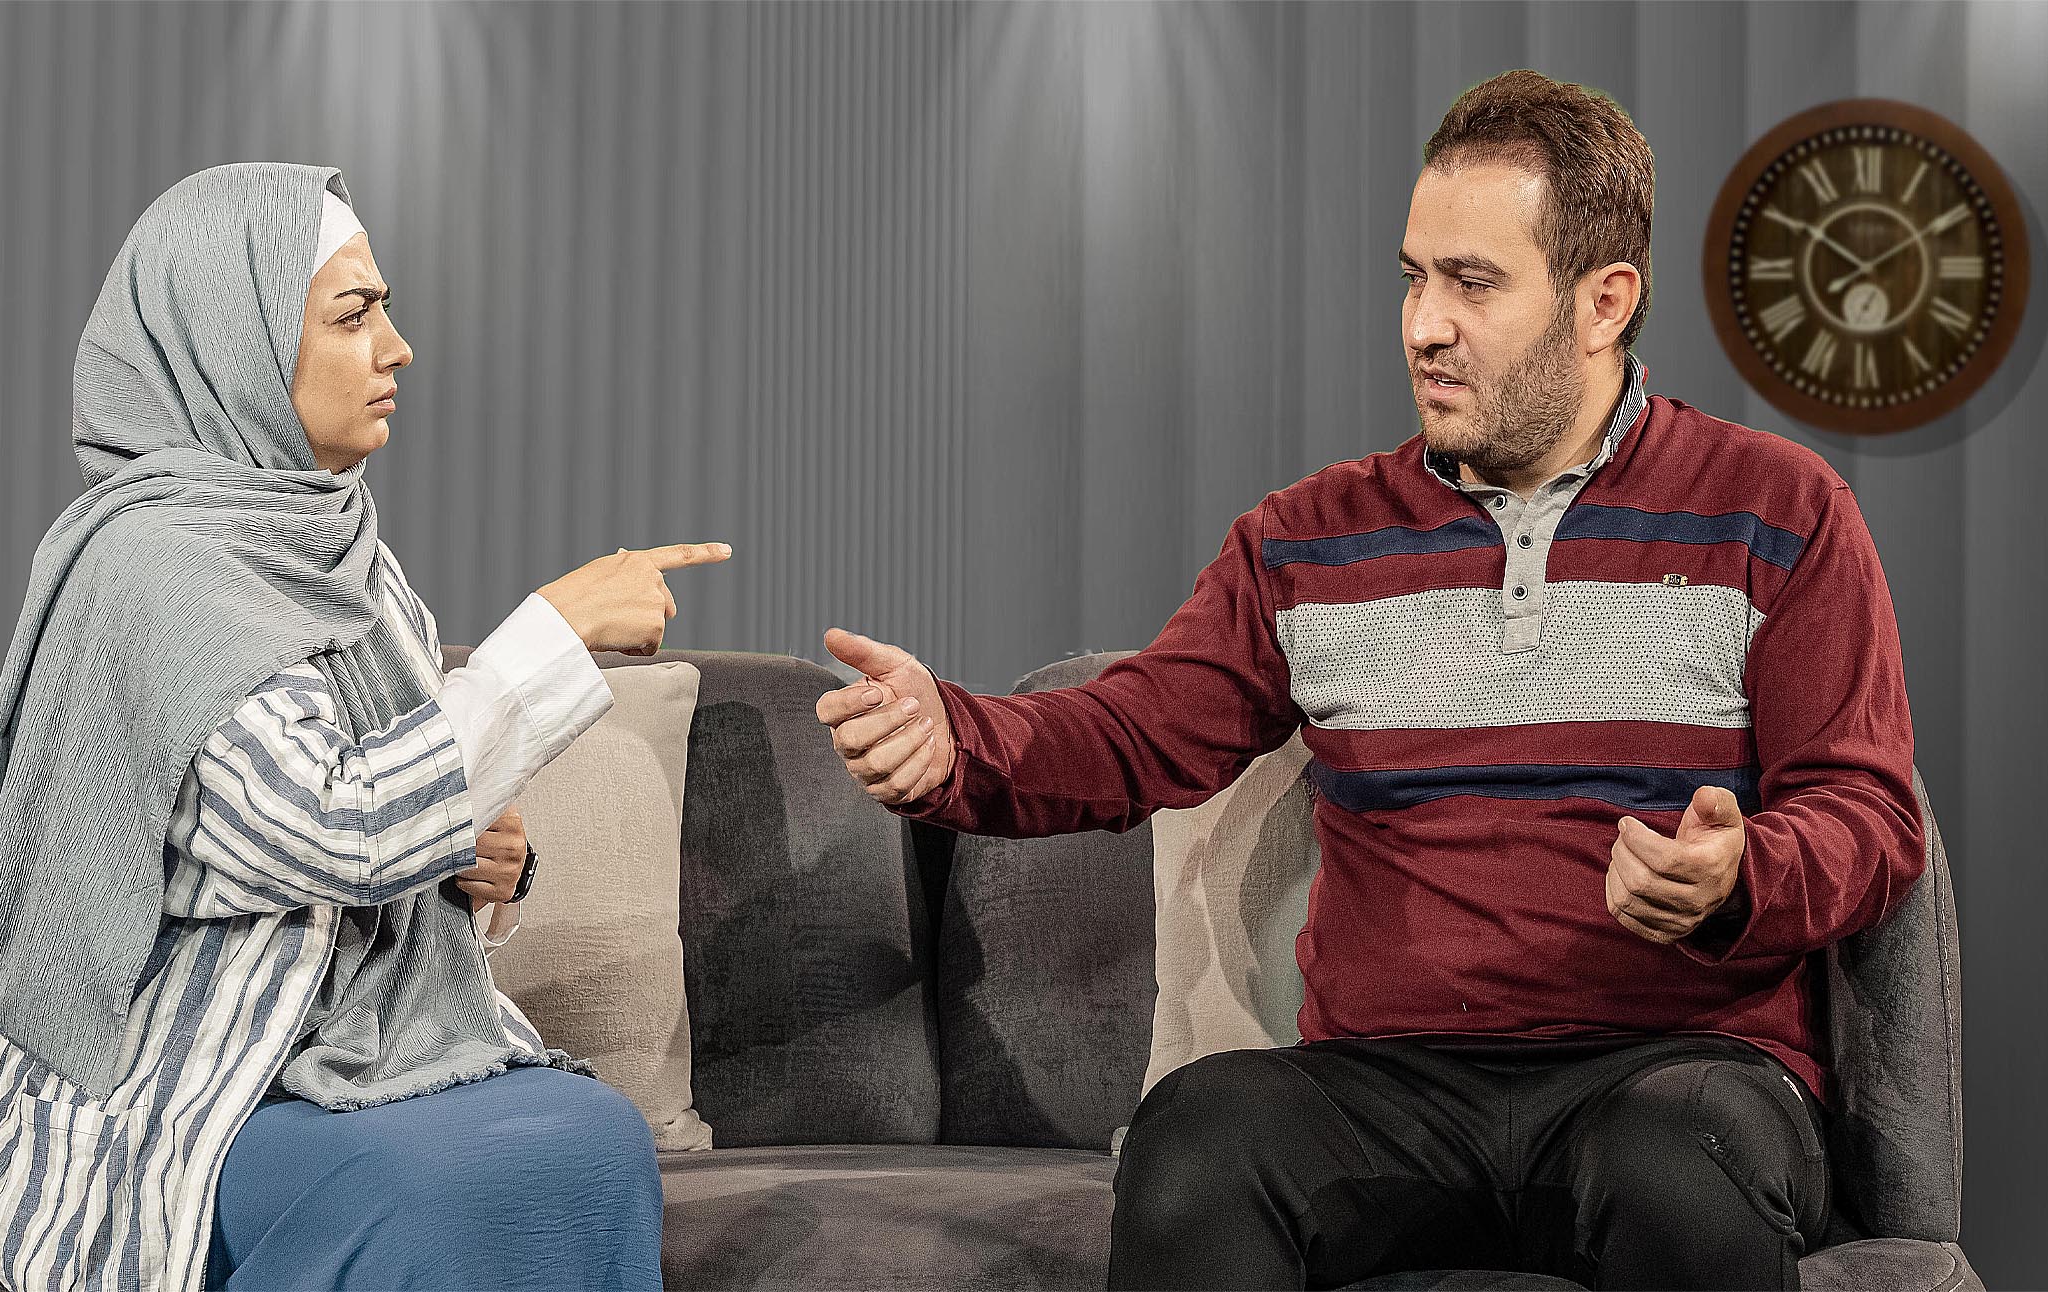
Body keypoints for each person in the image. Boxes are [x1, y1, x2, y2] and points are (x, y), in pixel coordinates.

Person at [812, 72, 1926, 1292]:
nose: (1423, 326)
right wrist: (956, 739)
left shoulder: (1777, 510)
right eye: (1414, 277)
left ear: (1603, 303)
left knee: (1677, 1160)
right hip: (1394, 1082)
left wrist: (1742, 873)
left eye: (1473, 283)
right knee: (1198, 1141)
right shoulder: (1311, 538)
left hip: (1674, 1068)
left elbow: (1869, 815)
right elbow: (1137, 727)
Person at [0, 162, 724, 1292]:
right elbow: (331, 823)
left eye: (384, 311)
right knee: (437, 1182)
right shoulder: (149, 570)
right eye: (353, 316)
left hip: (350, 1050)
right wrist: (553, 632)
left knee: (592, 1137)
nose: (397, 348)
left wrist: (474, 866)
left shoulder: (345, 547)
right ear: (237, 342)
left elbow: (386, 817)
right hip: (197, 1077)